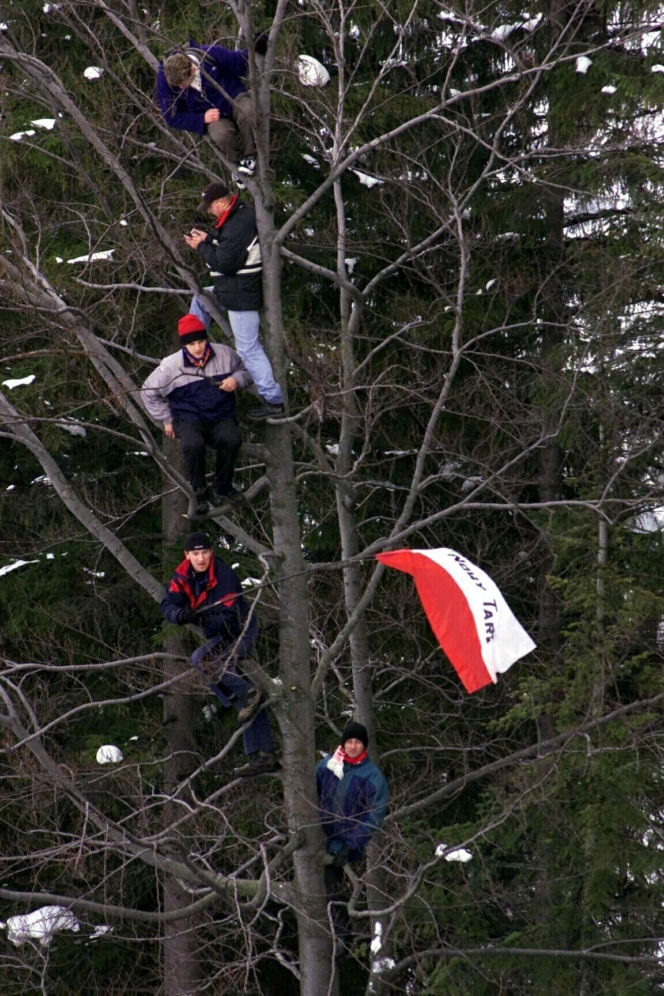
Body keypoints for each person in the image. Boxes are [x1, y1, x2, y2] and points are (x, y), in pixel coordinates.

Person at [161, 531, 279, 777]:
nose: (201, 558)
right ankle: (264, 753)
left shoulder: (224, 575)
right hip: (220, 633)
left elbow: (229, 619)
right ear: (187, 556)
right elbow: (168, 604)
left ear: (211, 553)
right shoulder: (183, 575)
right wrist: (182, 615)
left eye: (204, 552)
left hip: (240, 630)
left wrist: (200, 615)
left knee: (201, 660)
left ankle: (245, 696)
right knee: (242, 697)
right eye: (195, 553)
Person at [184, 183, 286, 422]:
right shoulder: (238, 216)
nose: (209, 212)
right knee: (201, 299)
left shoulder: (239, 222)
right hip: (233, 289)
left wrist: (201, 246)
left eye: (210, 208)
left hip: (241, 293)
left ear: (221, 203)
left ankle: (274, 400)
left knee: (248, 349)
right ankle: (194, 349)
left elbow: (227, 262)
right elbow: (230, 247)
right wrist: (208, 238)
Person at [140, 314, 251, 515]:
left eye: (200, 341)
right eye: (192, 344)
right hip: (188, 417)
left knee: (232, 440)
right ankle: (200, 492)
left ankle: (223, 487)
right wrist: (165, 418)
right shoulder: (171, 366)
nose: (198, 348)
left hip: (221, 415)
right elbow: (148, 392)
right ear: (184, 346)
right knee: (192, 445)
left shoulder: (225, 354)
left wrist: (236, 380)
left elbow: (247, 370)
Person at [316, 721, 389, 941]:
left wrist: (351, 844)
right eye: (349, 741)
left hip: (345, 842)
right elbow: (308, 789)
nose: (353, 746)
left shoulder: (372, 776)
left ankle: (341, 936)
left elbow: (375, 815)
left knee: (333, 886)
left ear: (364, 746)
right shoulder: (328, 765)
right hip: (318, 835)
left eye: (357, 742)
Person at [156, 35, 268, 177]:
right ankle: (237, 164)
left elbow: (239, 63)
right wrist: (201, 118)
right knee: (221, 135)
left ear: (192, 69)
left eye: (183, 83)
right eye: (177, 86)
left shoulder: (209, 54)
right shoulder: (165, 81)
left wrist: (255, 48)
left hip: (234, 97)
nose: (181, 87)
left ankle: (250, 156)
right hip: (210, 115)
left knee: (248, 111)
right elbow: (172, 116)